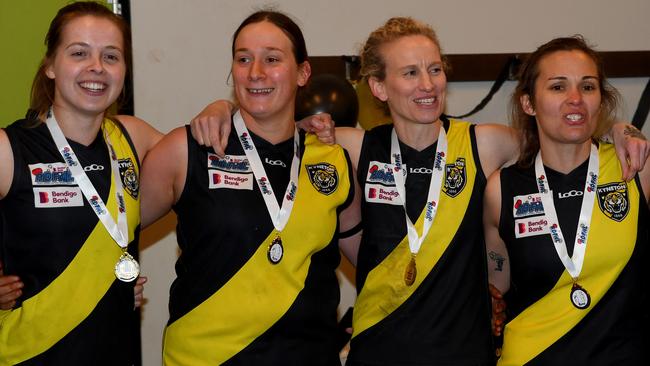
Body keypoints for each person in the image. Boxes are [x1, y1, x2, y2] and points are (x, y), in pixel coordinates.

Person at [191, 17, 649, 366]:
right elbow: (267, 114)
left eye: (434, 70)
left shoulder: (483, 144)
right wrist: (223, 103)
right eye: (409, 73)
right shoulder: (350, 147)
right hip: (378, 351)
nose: (427, 85)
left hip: (463, 355)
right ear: (378, 87)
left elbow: (561, 135)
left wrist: (620, 131)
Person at [139, 10, 361, 365]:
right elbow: (111, 229)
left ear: (303, 73)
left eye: (272, 59)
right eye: (244, 59)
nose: (256, 72)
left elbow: (373, 263)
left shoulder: (332, 160)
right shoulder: (188, 149)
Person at [0, 2, 161, 364]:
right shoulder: (9, 150)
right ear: (51, 66)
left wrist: (219, 109)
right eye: (79, 53)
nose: (97, 68)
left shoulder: (133, 137)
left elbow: (215, 160)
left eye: (111, 56)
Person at [484, 36, 650, 365]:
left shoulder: (635, 169)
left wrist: (624, 129)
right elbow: (495, 282)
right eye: (558, 87)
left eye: (587, 87)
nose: (575, 99)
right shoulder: (501, 190)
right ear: (528, 103)